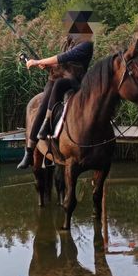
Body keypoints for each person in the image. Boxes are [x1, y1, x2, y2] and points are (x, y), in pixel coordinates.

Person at [17, 27, 94, 169]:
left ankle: (47, 123)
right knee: (41, 107)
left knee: (58, 84)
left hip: (76, 81)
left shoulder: (86, 44)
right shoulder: (70, 42)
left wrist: (37, 62)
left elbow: (62, 58)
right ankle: (29, 152)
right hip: (59, 77)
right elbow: (60, 64)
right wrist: (45, 64)